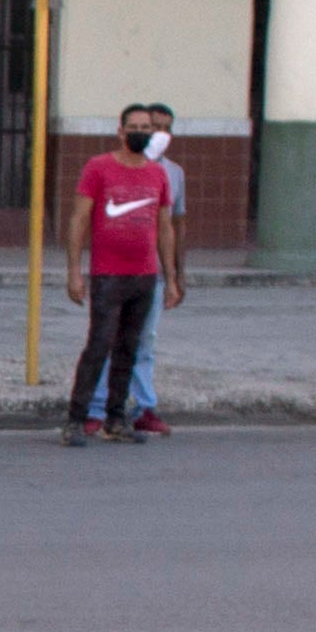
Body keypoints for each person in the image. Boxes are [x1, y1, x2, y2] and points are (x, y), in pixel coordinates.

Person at [63, 100, 180, 445]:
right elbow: (79, 219)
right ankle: (76, 419)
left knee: (129, 348)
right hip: (108, 275)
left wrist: (170, 278)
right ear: (120, 130)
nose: (141, 134)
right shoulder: (98, 168)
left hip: (144, 275)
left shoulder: (158, 173)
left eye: (148, 129)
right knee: (99, 344)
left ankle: (116, 420)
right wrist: (74, 272)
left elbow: (165, 227)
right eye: (135, 128)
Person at [122, 103, 181, 436]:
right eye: (149, 127)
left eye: (163, 128)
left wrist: (174, 276)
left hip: (152, 273)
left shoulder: (171, 174)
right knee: (111, 339)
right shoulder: (114, 167)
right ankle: (100, 407)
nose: (155, 134)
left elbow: (173, 226)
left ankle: (144, 406)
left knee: (145, 340)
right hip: (116, 271)